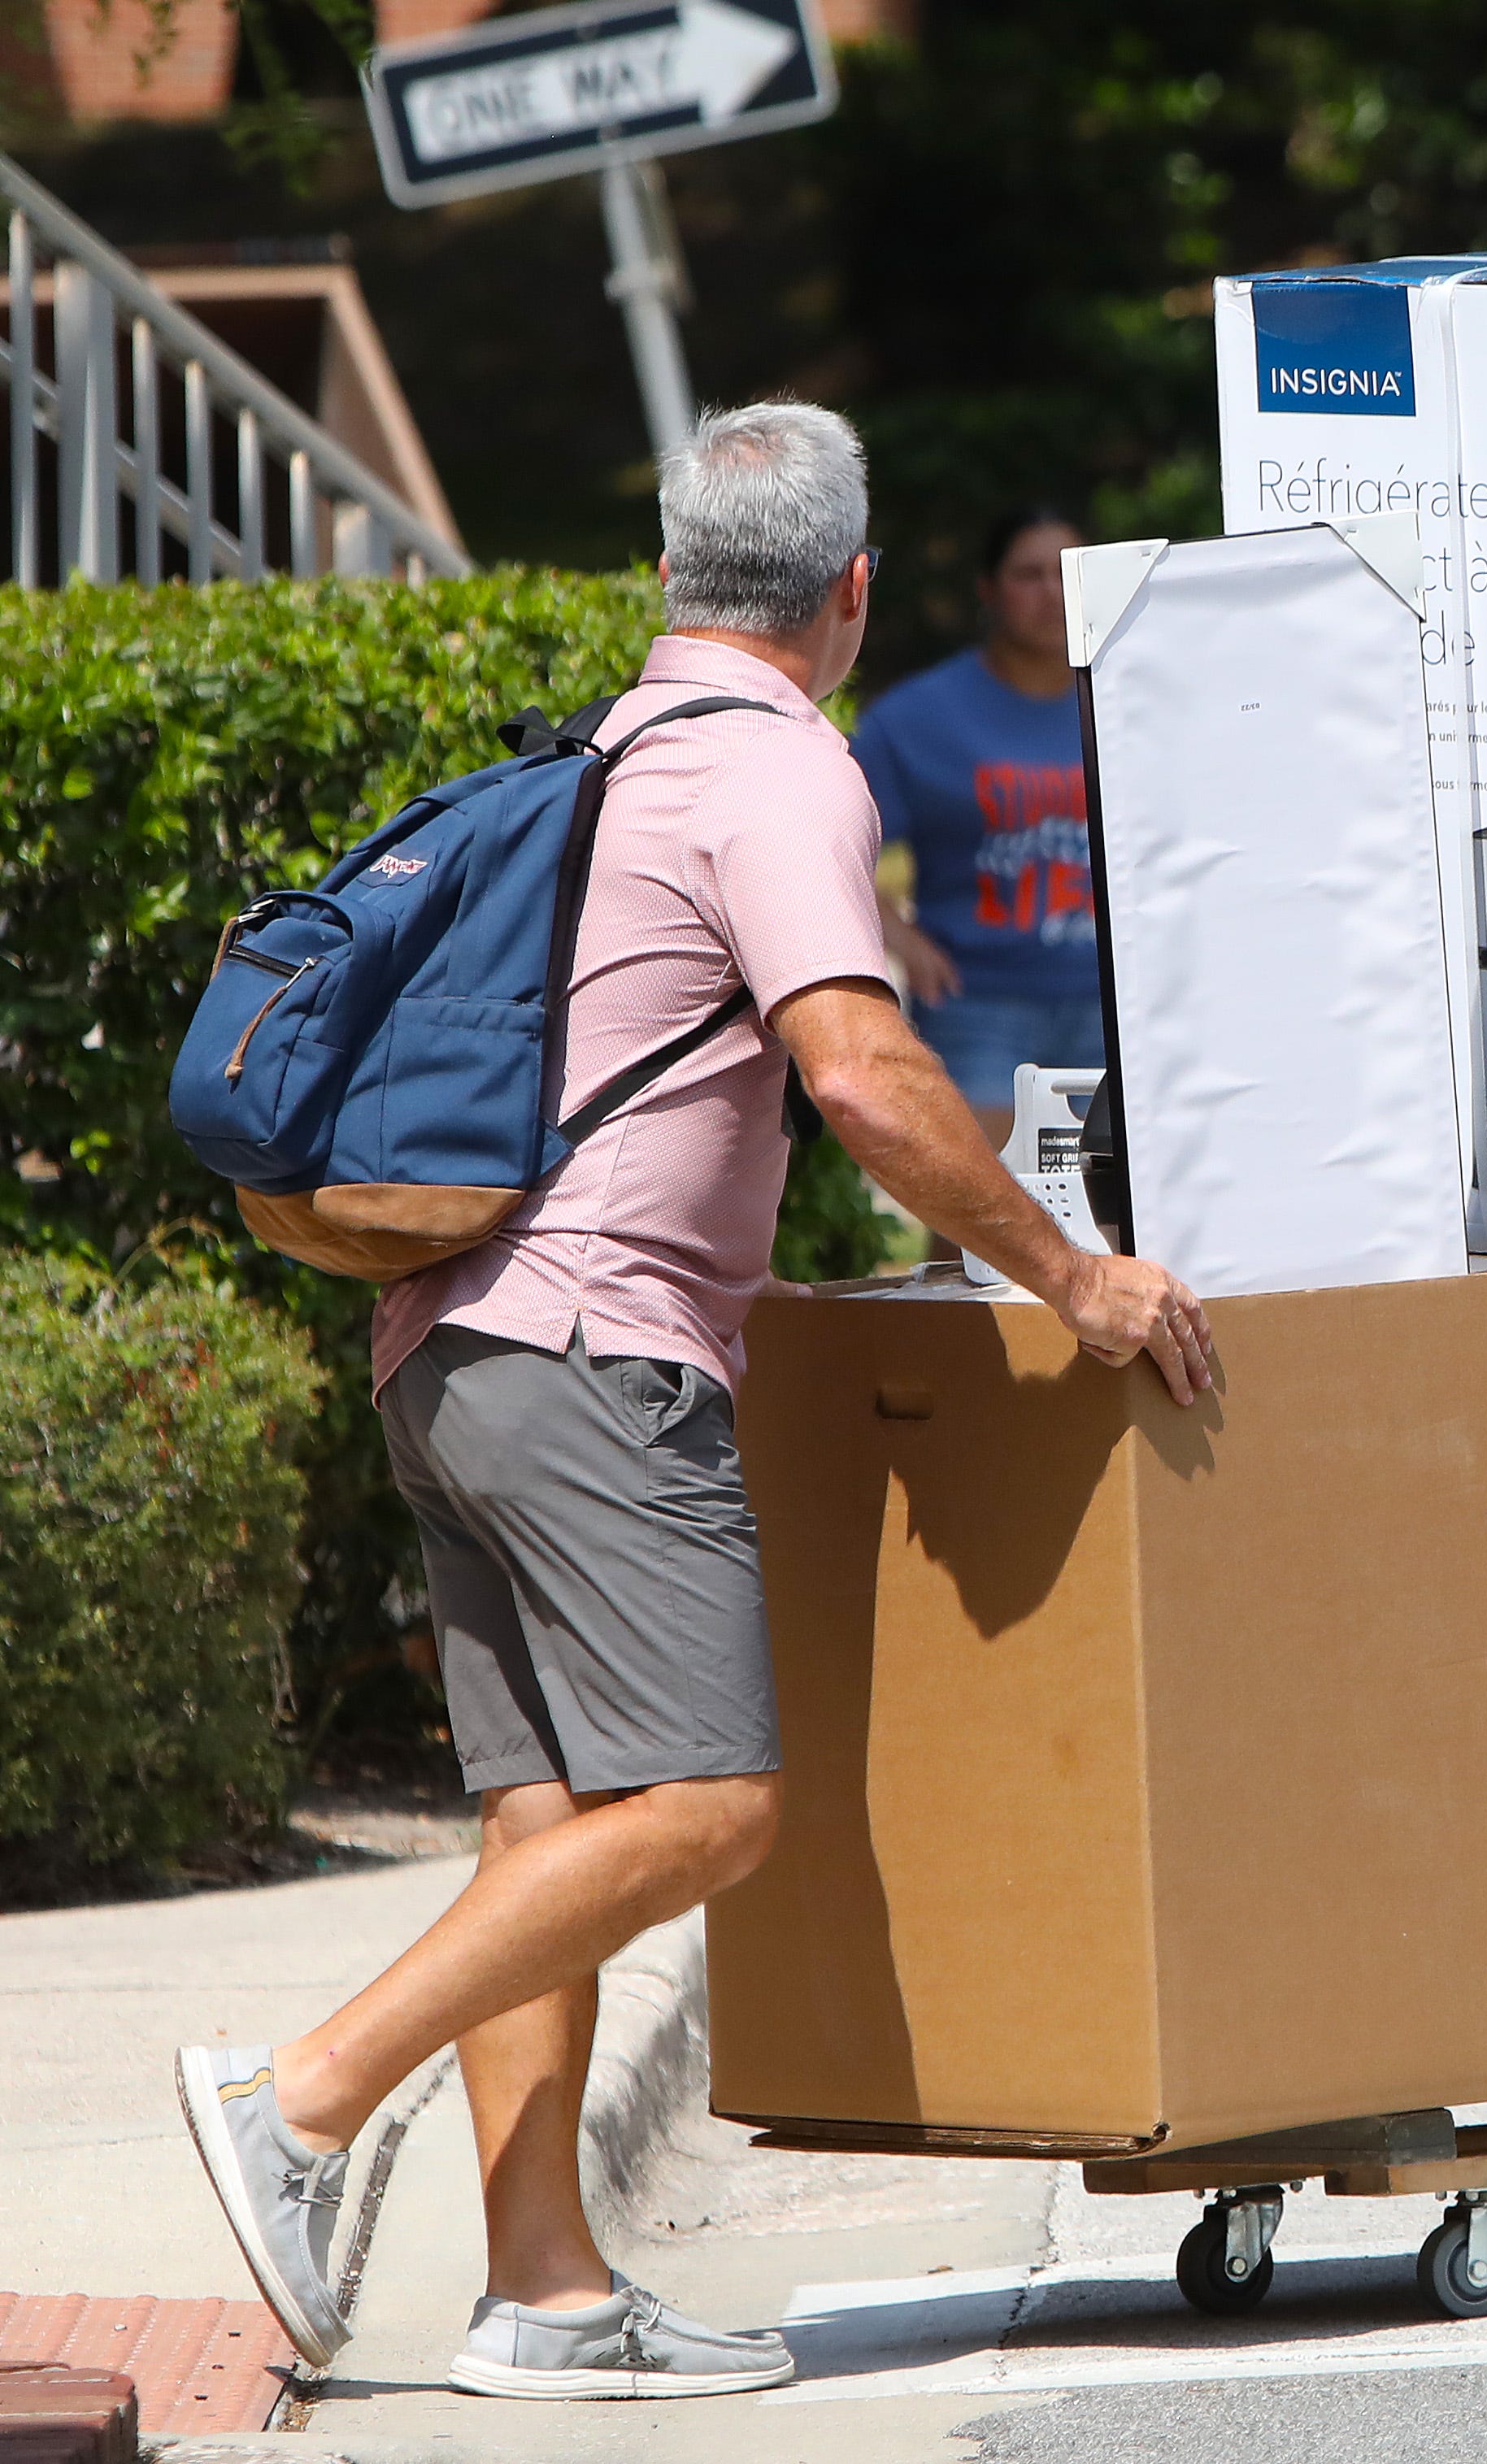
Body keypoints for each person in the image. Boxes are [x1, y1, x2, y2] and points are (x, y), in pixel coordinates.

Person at [173, 404, 1214, 2400]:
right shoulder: (775, 770)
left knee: (545, 1823)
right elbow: (865, 1075)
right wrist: (1075, 1272)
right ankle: (300, 2095)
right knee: (717, 1797)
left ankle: (546, 2291)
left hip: (449, 1338)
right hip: (594, 1354)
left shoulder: (615, 744)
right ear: (853, 595)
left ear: (669, 570)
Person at [854, 506, 1102, 1154]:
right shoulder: (917, 718)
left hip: (1115, 1004)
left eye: (1069, 573)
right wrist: (899, 938)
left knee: (1121, 1222)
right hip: (979, 1006)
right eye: (1028, 574)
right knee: (981, 1222)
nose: (1052, 593)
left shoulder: (1133, 699)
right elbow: (824, 848)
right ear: (988, 589)